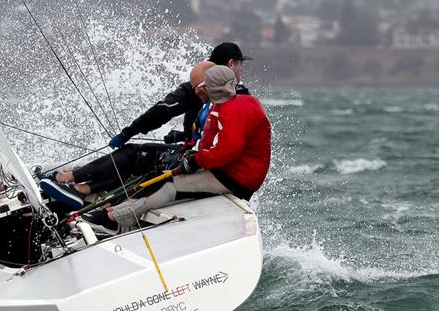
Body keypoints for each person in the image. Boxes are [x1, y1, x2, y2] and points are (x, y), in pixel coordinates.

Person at [89, 65, 271, 233]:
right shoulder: (231, 104)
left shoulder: (234, 109)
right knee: (165, 174)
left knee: (169, 185)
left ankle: (115, 219)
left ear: (215, 87)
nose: (199, 90)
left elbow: (228, 151)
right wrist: (193, 154)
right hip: (227, 171)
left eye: (204, 86)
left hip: (235, 179)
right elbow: (213, 142)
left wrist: (195, 161)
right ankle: (115, 210)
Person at [39, 60, 214, 209]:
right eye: (193, 87)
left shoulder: (222, 101)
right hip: (193, 152)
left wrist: (127, 133)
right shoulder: (207, 98)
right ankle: (75, 186)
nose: (195, 91)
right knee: (137, 157)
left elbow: (162, 111)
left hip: (198, 162)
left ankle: (70, 182)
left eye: (196, 86)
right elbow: (202, 131)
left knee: (137, 155)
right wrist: (183, 136)